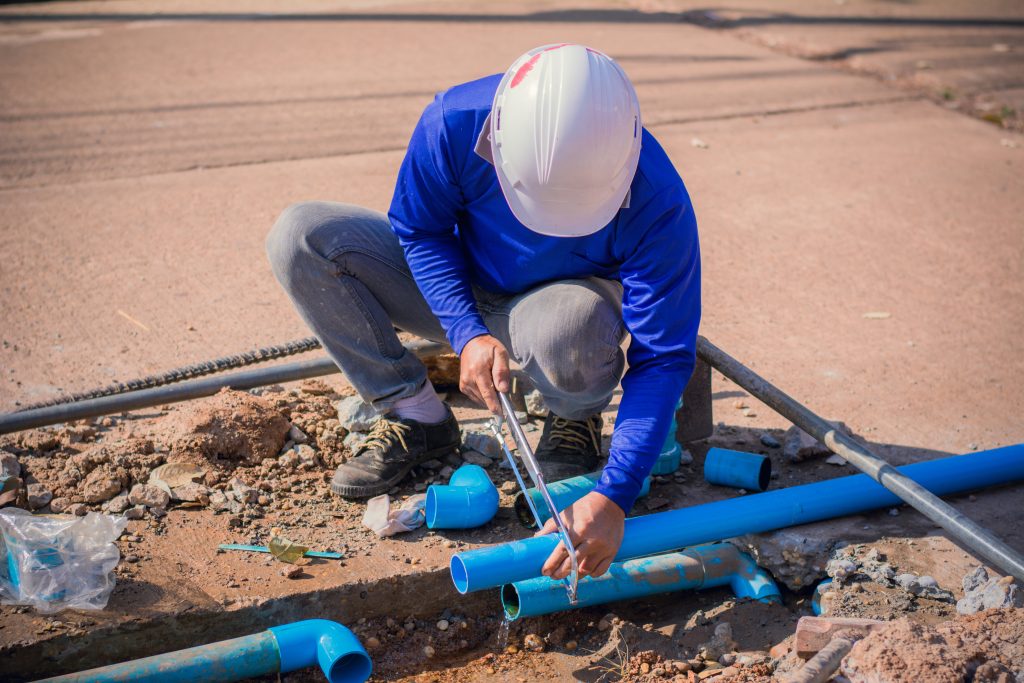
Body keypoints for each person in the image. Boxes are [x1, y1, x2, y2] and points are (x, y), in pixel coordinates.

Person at [266, 44, 700, 582]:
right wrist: (466, 332)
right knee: (304, 235)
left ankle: (572, 414)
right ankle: (416, 416)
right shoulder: (453, 123)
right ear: (498, 139)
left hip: (556, 315)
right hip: (459, 288)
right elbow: (420, 230)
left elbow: (663, 357)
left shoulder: (657, 198)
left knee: (575, 325)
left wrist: (615, 494)